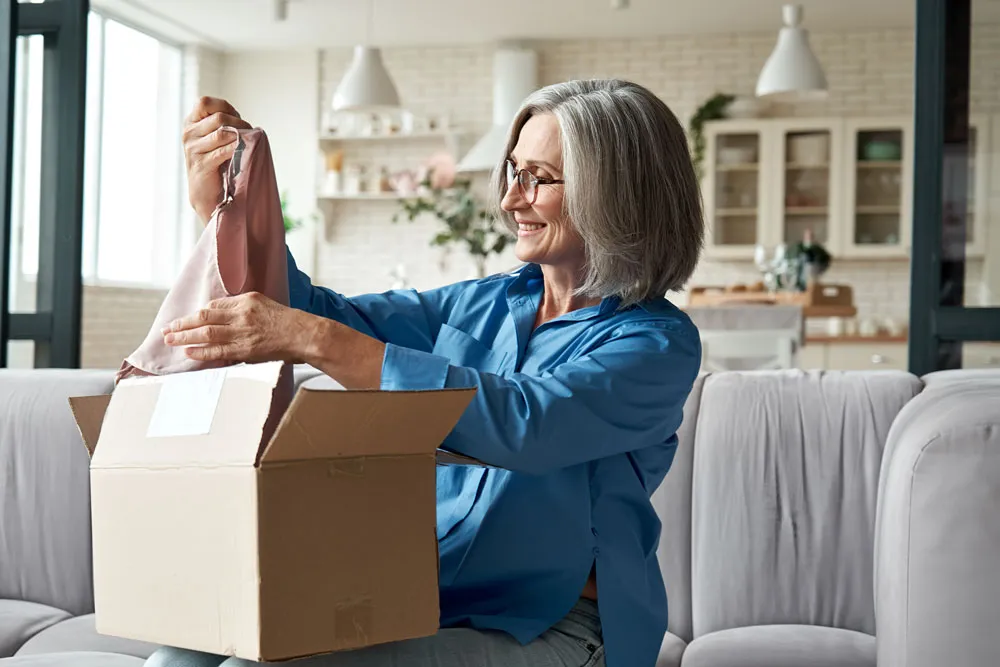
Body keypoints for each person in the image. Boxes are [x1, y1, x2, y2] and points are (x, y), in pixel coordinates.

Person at [147, 78, 704, 667]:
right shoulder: (482, 305)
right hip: (422, 600)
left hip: (557, 628)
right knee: (194, 647)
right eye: (512, 173)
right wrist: (225, 205)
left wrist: (315, 340)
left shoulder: (655, 345)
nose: (511, 201)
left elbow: (527, 422)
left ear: (614, 193)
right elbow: (319, 313)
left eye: (537, 178)